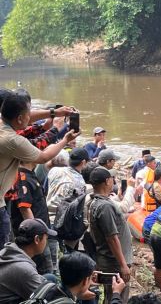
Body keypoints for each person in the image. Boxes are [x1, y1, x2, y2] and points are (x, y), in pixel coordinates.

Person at [0, 92, 79, 250]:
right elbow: (43, 157)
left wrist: (54, 112)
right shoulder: (12, 140)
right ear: (20, 118)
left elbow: (26, 117)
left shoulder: (2, 123)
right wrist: (64, 139)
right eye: (27, 115)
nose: (30, 117)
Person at [87, 167, 132, 304]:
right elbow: (111, 238)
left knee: (111, 295)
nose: (114, 181)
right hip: (114, 262)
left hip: (108, 259)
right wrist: (123, 265)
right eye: (112, 178)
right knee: (117, 296)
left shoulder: (94, 202)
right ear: (107, 181)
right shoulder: (104, 206)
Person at [11, 160, 54, 274]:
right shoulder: (22, 177)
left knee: (46, 269)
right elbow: (24, 208)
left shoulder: (30, 174)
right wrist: (37, 234)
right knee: (45, 272)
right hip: (35, 237)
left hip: (40, 234)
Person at [33, 252, 125, 304]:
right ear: (85, 281)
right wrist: (116, 294)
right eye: (89, 278)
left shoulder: (46, 285)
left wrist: (79, 292)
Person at [0, 218, 56, 304]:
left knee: (50, 277)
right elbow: (46, 300)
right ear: (37, 239)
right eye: (46, 238)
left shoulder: (8, 251)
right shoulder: (24, 268)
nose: (46, 242)